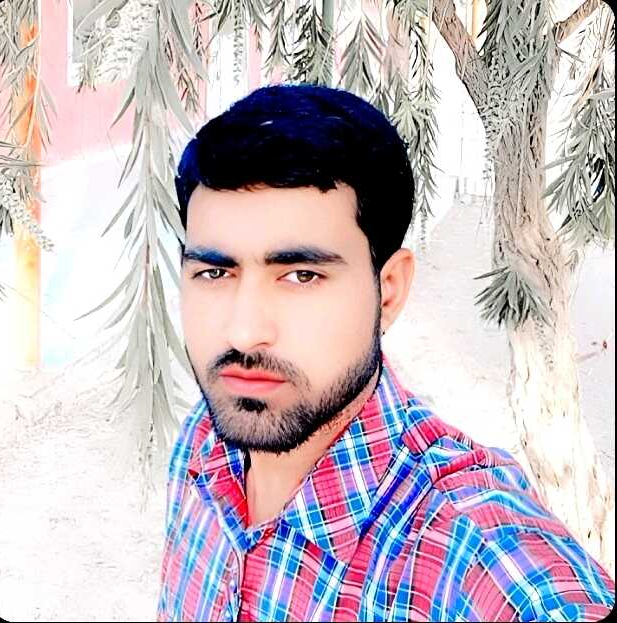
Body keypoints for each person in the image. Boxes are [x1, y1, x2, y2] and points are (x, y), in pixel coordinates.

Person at [156, 84, 615, 622]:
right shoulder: (205, 444)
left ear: (389, 291)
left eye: (301, 275)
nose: (242, 333)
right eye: (215, 272)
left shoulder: (477, 562)